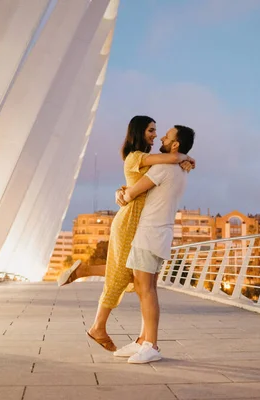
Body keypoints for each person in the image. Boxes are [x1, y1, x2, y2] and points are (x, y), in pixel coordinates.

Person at [57, 116, 195, 351]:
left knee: (127, 273)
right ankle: (99, 326)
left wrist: (184, 160)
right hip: (130, 220)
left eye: (158, 131)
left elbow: (157, 173)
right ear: (139, 132)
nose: (156, 135)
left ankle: (85, 274)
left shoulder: (152, 161)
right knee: (123, 273)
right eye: (151, 130)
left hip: (138, 219)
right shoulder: (138, 157)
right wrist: (184, 157)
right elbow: (170, 158)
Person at [111, 125, 195, 363]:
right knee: (146, 289)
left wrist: (121, 194)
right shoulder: (181, 169)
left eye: (168, 136)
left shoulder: (163, 167)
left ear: (175, 145)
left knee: (145, 290)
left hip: (149, 234)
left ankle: (151, 345)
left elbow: (132, 193)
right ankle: (142, 341)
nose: (163, 137)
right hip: (161, 233)